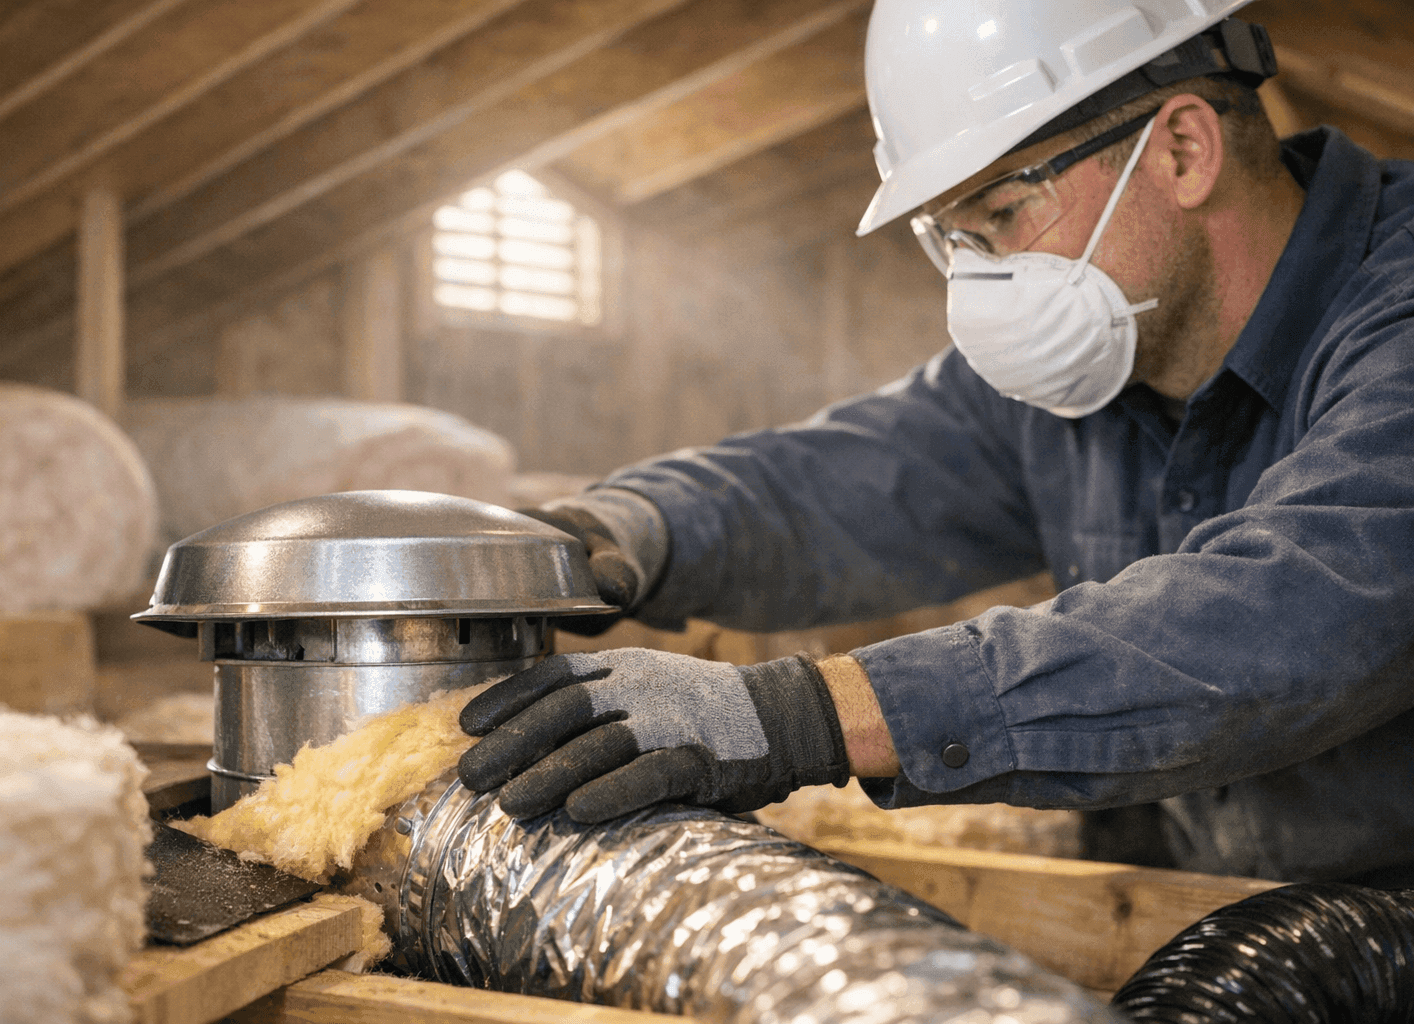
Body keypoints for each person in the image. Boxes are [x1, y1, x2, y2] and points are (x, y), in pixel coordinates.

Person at [456, 0, 1414, 886]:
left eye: (1002, 214)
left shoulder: (1394, 312)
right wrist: (624, 526)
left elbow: (1298, 610)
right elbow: (851, 479)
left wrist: (808, 715)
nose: (985, 280)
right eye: (953, 236)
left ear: (1182, 151)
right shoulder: (1096, 362)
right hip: (1231, 909)